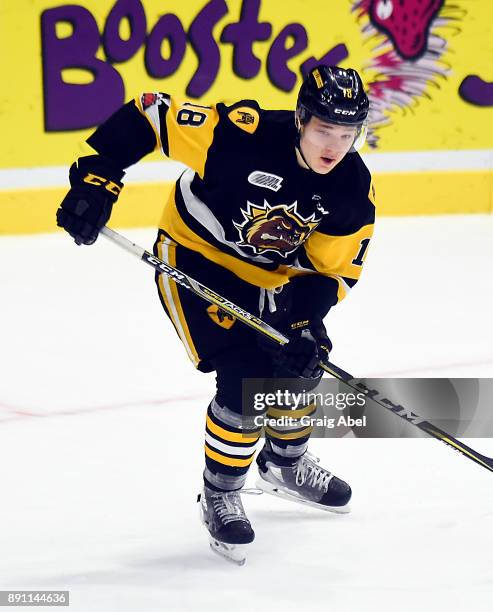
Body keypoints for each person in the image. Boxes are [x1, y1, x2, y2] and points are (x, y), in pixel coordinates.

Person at [56, 65, 375, 564]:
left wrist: (305, 324)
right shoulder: (240, 135)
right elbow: (151, 112)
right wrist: (99, 179)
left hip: (271, 276)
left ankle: (284, 465)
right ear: (300, 119)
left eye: (346, 132)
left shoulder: (352, 188)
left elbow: (329, 272)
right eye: (323, 129)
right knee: (245, 381)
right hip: (195, 258)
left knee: (300, 367)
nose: (333, 145)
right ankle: (222, 489)